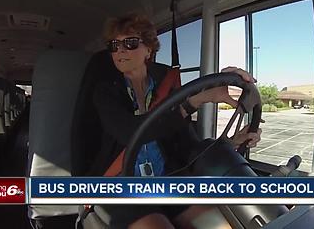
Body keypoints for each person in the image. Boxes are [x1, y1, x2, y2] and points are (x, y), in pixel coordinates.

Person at [90, 12, 261, 229]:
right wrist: (194, 102)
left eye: (130, 43)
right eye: (114, 45)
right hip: (122, 186)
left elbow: (188, 147)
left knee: (220, 224)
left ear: (149, 50)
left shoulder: (168, 91)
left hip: (167, 180)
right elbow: (130, 133)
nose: (120, 50)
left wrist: (231, 143)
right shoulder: (105, 91)